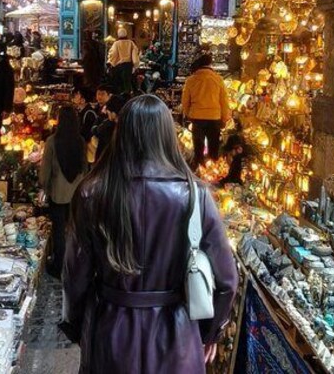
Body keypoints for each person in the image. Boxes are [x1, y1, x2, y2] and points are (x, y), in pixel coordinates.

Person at [61, 95, 238, 373]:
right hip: (177, 336)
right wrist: (208, 332)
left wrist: (78, 326)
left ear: (122, 134)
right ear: (167, 136)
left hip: (112, 333)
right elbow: (227, 281)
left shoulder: (92, 193)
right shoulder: (195, 195)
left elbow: (75, 276)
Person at [39, 105, 88, 278]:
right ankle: (74, 266)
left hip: (58, 194)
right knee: (74, 231)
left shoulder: (52, 141)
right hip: (76, 194)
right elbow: (85, 167)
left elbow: (46, 169)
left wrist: (43, 187)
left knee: (58, 231)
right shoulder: (80, 141)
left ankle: (58, 266)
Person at [181, 54, 231, 168]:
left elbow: (185, 101)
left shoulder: (191, 80)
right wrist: (224, 118)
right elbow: (224, 101)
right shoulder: (218, 79)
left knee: (198, 149)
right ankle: (212, 170)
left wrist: (188, 114)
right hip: (214, 118)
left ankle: (199, 169)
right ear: (210, 65)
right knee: (213, 149)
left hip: (197, 117)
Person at [92, 95, 124, 162]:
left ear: (113, 113)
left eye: (108, 111)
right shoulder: (126, 126)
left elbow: (95, 131)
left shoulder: (108, 125)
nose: (107, 113)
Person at [107, 28, 139, 95]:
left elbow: (113, 54)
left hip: (119, 67)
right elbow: (135, 54)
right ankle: (127, 97)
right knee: (127, 84)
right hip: (128, 66)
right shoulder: (131, 43)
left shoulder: (116, 43)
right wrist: (135, 65)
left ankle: (120, 98)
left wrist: (111, 63)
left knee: (119, 85)